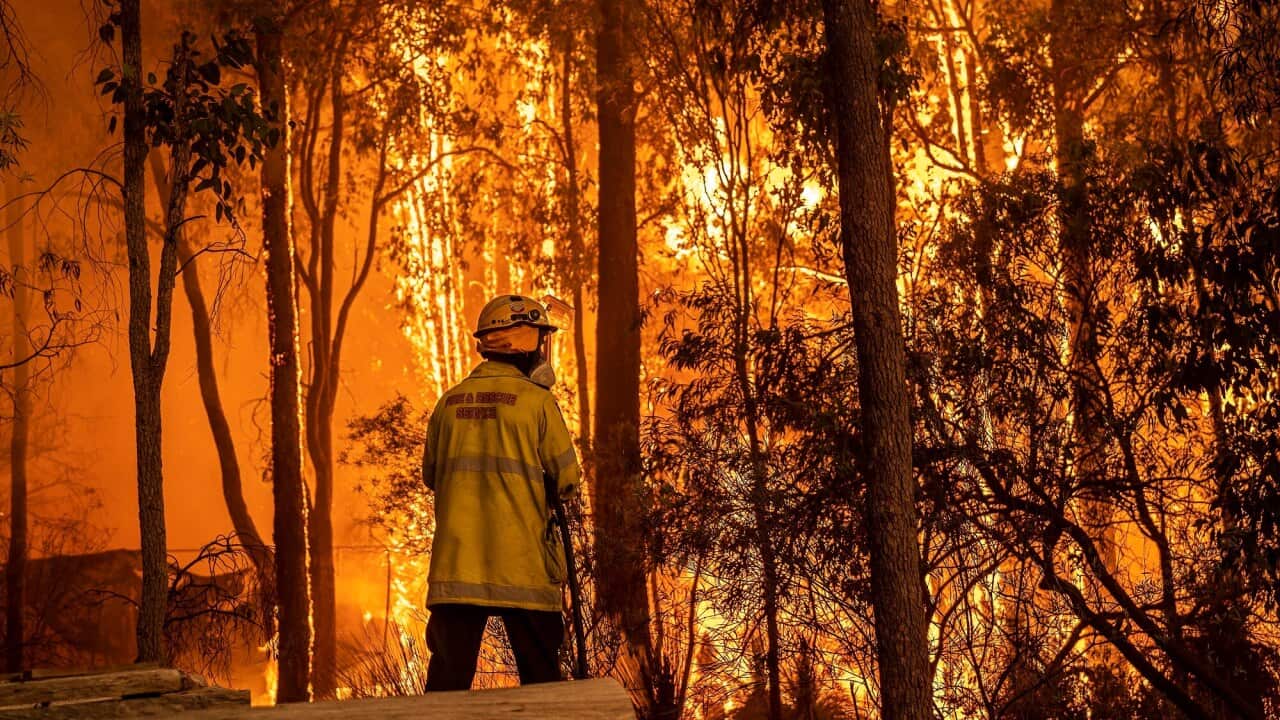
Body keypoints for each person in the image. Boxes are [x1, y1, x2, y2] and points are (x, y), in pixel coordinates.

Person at [421, 294, 581, 691]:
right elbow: (568, 481)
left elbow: (431, 476)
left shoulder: (447, 403)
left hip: (457, 570)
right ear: (524, 342)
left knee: (445, 692)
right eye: (540, 340)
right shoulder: (538, 403)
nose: (543, 350)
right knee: (544, 689)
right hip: (523, 570)